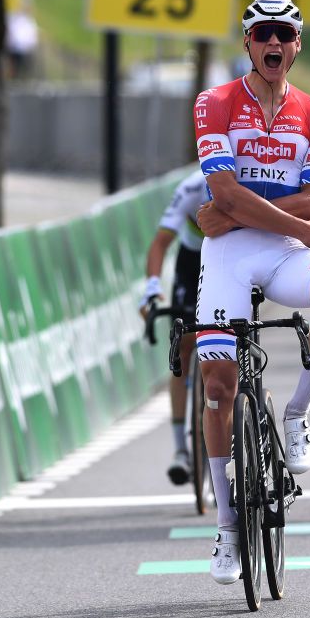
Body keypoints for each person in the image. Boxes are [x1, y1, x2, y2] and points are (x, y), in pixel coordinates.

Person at [191, 0, 310, 586]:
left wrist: (239, 214)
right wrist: (296, 225)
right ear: (247, 43)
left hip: (283, 251)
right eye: (263, 34)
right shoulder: (214, 103)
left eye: (285, 34)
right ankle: (228, 524)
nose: (274, 44)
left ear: (297, 45)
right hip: (230, 257)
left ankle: (296, 412)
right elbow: (227, 193)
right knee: (218, 383)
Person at [139, 169, 210, 485]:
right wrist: (152, 288)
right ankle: (181, 450)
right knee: (184, 346)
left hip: (231, 256)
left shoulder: (245, 181)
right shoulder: (191, 188)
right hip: (192, 259)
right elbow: (159, 243)